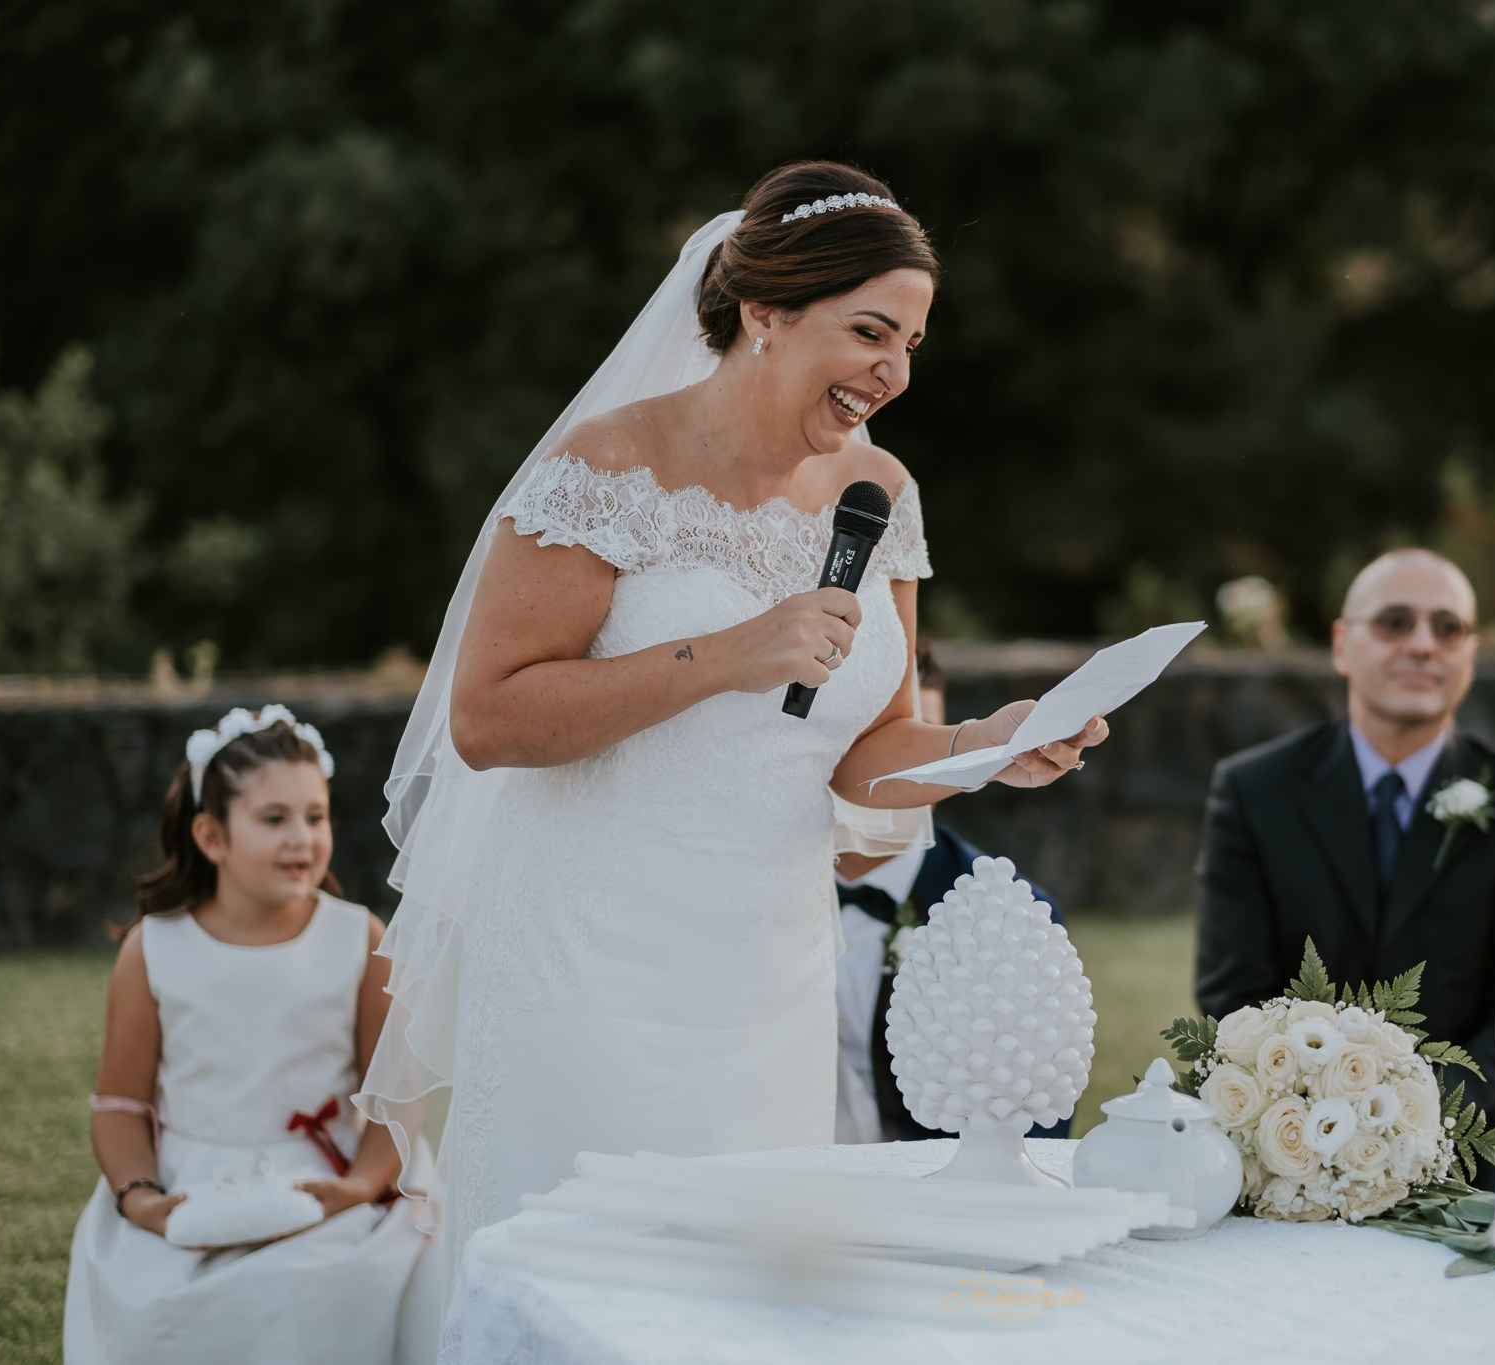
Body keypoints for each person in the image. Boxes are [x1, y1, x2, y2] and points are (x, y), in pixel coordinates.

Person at [357, 162, 1106, 1283]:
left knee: (746, 1287)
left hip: (769, 962)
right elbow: (489, 717)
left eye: (910, 343)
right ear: (765, 310)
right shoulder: (608, 466)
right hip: (593, 953)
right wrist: (727, 655)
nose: (894, 372)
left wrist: (987, 746)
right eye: (869, 332)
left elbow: (864, 752)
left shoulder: (882, 494)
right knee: (596, 1276)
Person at [65, 706, 432, 1365]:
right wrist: (141, 1198)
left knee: (328, 1289)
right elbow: (120, 1104)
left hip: (326, 1178)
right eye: (274, 818)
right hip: (191, 1180)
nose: (302, 838)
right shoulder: (154, 948)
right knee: (163, 1306)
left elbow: (395, 1095)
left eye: (315, 816)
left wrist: (360, 1185)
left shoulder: (359, 938)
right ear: (211, 836)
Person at [1194, 549, 1495, 1113]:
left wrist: (1413, 1123)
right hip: (1296, 1134)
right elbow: (1233, 997)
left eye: (1448, 628)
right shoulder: (1253, 792)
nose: (1423, 644)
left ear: (1471, 651)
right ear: (1342, 644)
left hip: (1473, 1140)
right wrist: (1324, 1118)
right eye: (1395, 622)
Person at [832, 643, 1072, 1143]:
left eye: (927, 741)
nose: (910, 767)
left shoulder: (1008, 916)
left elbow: (1034, 1118)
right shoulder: (758, 897)